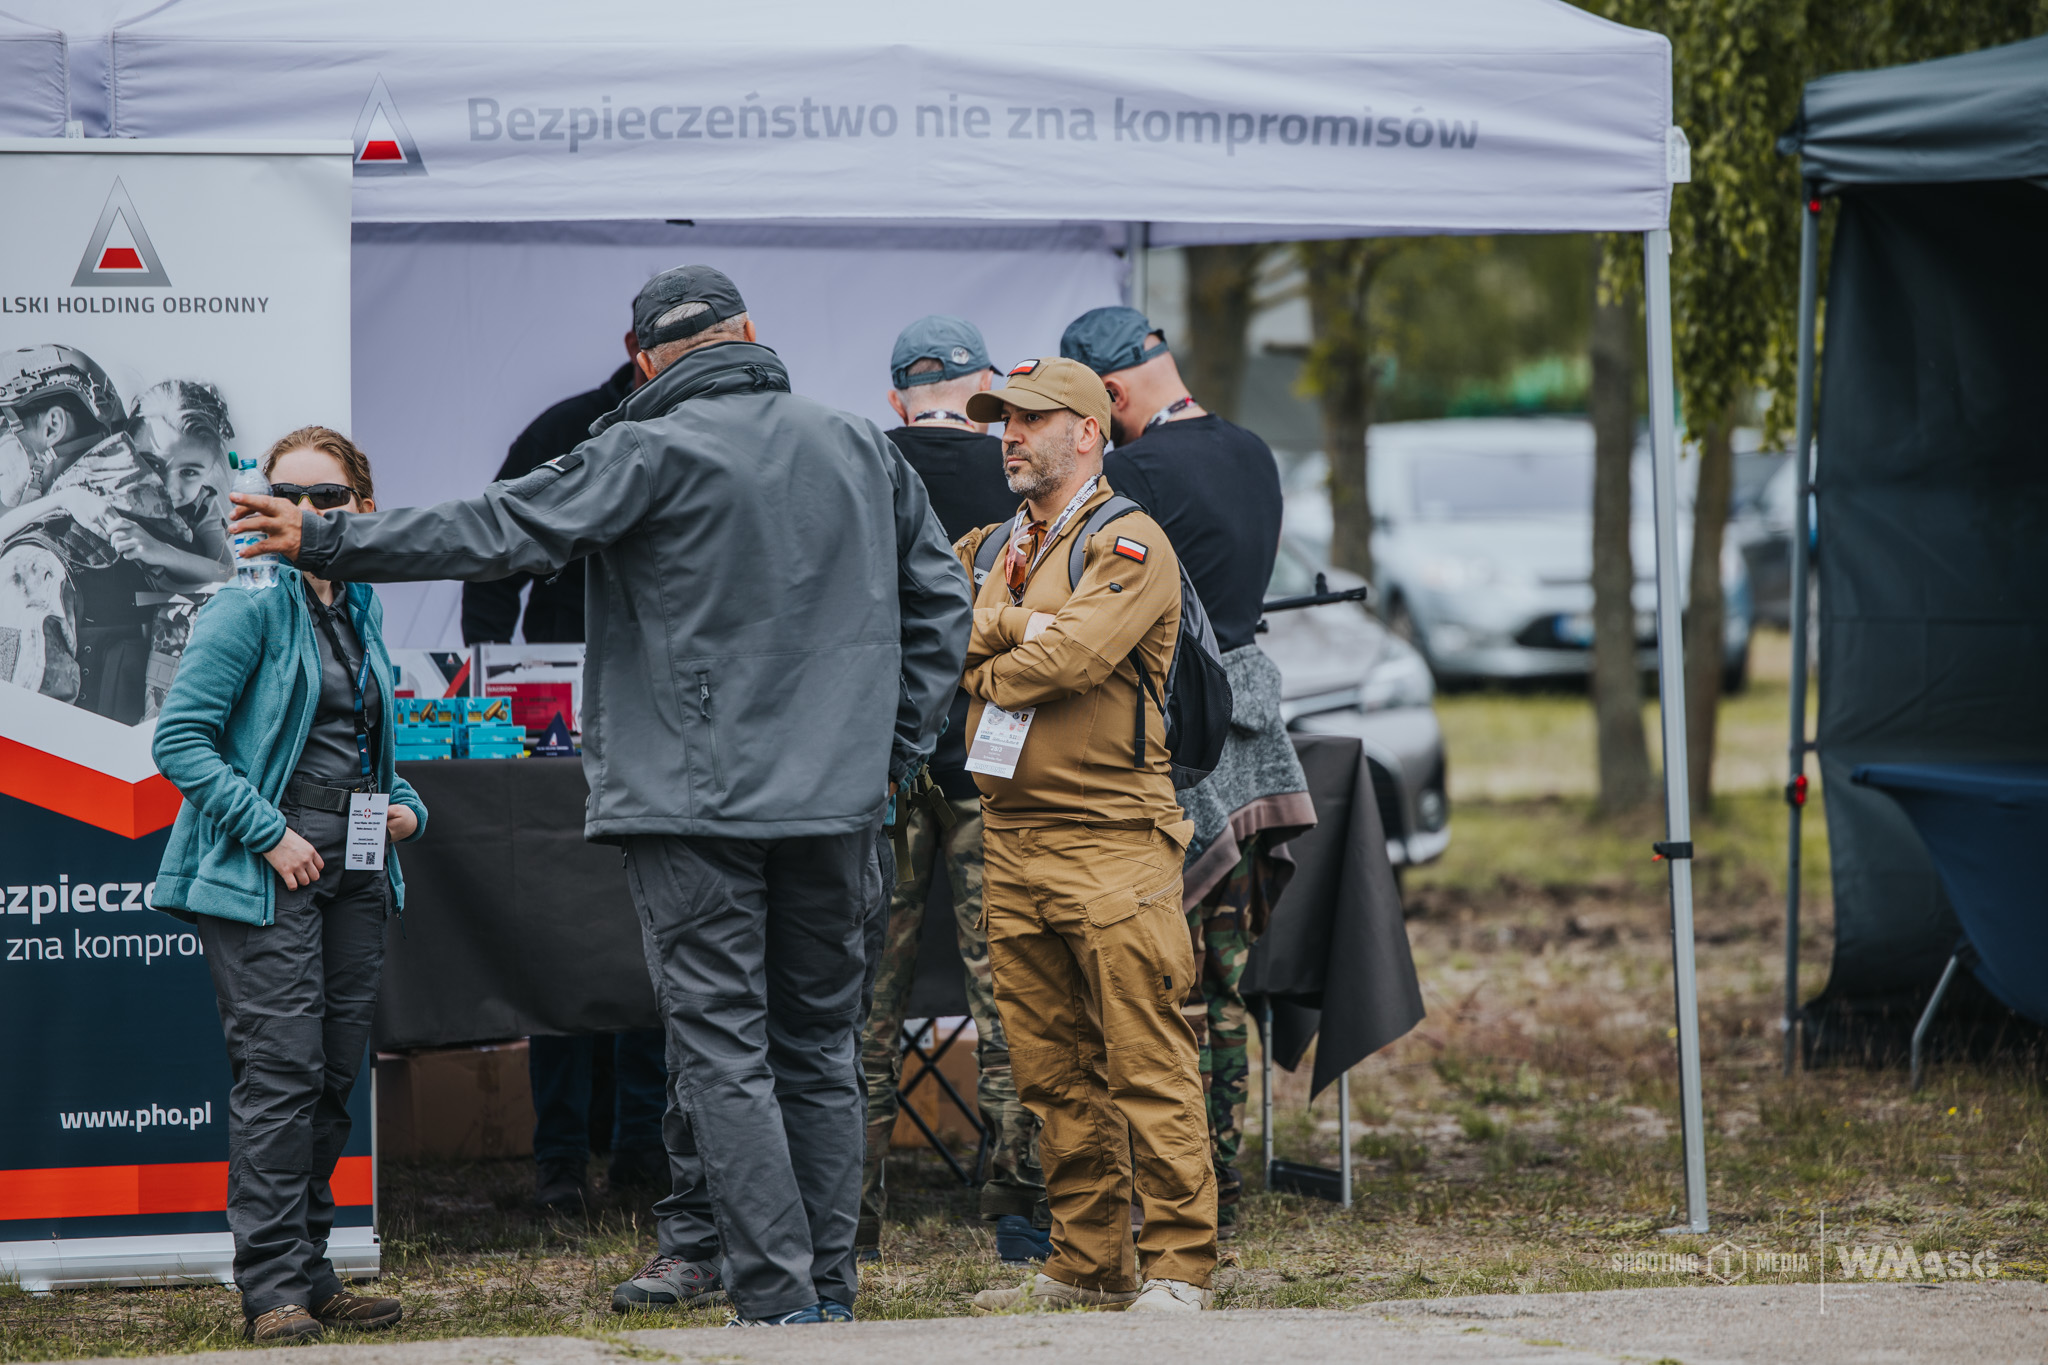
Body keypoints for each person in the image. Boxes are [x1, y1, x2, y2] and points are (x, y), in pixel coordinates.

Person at [226, 265, 972, 1327]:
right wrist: (888, 750)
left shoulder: (644, 446)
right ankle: (829, 1297)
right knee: (817, 1047)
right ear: (750, 334)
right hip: (835, 805)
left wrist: (332, 539)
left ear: (645, 362)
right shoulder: (860, 443)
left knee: (723, 1051)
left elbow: (498, 529)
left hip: (692, 805)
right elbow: (943, 603)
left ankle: (777, 1303)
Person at [151, 425, 428, 1344]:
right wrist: (270, 834)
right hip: (266, 866)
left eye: (329, 499)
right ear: (263, 503)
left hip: (352, 864)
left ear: (363, 509)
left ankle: (311, 1269)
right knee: (280, 1075)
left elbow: (372, 741)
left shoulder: (360, 604)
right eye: (291, 494)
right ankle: (272, 1288)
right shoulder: (248, 606)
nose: (308, 512)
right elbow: (179, 743)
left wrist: (407, 810)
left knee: (330, 1076)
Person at [953, 357, 1217, 1315]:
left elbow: (1065, 662)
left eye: (1029, 420)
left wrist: (997, 641)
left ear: (1088, 432)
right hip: (1010, 837)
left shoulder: (1132, 540)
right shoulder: (986, 545)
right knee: (1050, 1071)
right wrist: (1017, 626)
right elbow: (937, 638)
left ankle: (1181, 1266)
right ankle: (1087, 1260)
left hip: (1113, 838)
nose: (1009, 436)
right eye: (1003, 421)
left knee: (1146, 1061)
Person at [1062, 306, 1313, 1241]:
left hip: (1177, 735)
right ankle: (1228, 1173)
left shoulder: (1134, 473)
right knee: (1229, 966)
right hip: (1252, 729)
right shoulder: (1253, 450)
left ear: (1113, 394)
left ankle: (1177, 1179)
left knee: (1172, 975)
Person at [460, 329, 667, 1215]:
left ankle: (628, 1152)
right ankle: (579, 1156)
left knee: (638, 952)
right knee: (589, 946)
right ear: (648, 358)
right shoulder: (569, 428)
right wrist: (482, 668)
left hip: (650, 709)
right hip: (564, 703)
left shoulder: (692, 435)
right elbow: (495, 545)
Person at [859, 316, 1048, 1262]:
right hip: (987, 760)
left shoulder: (857, 466)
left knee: (863, 1001)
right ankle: (1019, 1215)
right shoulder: (1021, 474)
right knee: (1006, 992)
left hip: (880, 766)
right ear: (982, 393)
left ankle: (847, 1222)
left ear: (897, 398)